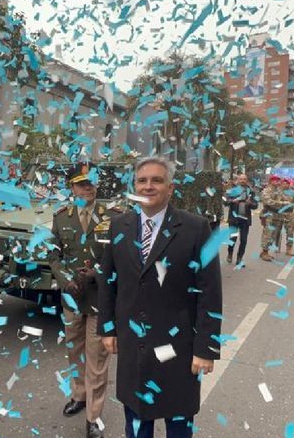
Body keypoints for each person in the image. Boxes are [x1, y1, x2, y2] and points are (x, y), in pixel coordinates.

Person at [97, 156, 222, 438]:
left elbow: (210, 292)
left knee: (178, 425)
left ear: (170, 187)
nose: (148, 186)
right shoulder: (119, 226)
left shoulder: (196, 228)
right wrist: (107, 328)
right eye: (142, 181)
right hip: (133, 345)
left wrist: (206, 348)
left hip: (178, 349)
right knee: (137, 424)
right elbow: (108, 280)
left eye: (156, 180)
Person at [48, 162, 121, 438]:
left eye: (90, 183)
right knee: (75, 351)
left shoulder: (113, 215)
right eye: (81, 183)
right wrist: (66, 279)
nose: (87, 188)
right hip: (73, 297)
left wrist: (98, 273)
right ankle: (79, 395)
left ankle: (93, 415)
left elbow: (120, 256)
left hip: (100, 296)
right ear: (72, 187)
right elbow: (53, 255)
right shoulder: (61, 216)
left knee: (97, 357)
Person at [224, 173, 259, 266]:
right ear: (238, 180)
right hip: (234, 219)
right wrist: (232, 201)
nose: (242, 180)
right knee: (233, 239)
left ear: (246, 180)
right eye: (241, 179)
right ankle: (230, 253)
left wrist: (250, 203)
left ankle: (239, 259)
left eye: (244, 179)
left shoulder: (251, 191)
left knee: (243, 240)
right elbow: (225, 201)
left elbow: (256, 205)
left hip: (245, 220)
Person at [273, 178, 294, 256]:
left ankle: (289, 248)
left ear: (289, 184)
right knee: (277, 231)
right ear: (281, 184)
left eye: (287, 183)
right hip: (279, 214)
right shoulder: (277, 192)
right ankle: (276, 246)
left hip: (290, 214)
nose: (285, 185)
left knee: (290, 232)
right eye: (283, 183)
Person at [259, 175, 283, 261]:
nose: (278, 182)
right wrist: (280, 203)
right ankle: (264, 252)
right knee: (267, 233)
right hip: (268, 214)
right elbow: (268, 201)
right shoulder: (266, 190)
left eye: (278, 181)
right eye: (276, 181)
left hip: (277, 214)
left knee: (273, 234)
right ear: (271, 181)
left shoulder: (279, 191)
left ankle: (266, 252)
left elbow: (283, 200)